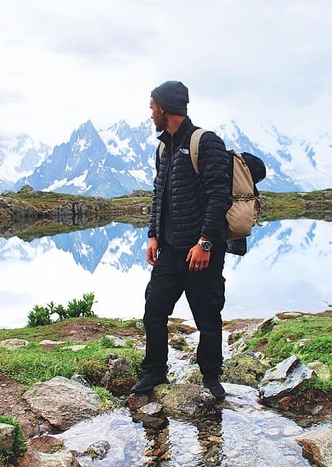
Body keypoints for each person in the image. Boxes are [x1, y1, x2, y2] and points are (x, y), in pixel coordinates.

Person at [131, 80, 232, 399]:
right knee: (154, 310)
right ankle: (155, 372)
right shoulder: (164, 147)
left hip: (201, 252)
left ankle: (211, 378)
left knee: (207, 317)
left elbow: (220, 196)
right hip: (170, 252)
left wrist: (204, 243)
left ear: (164, 108)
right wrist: (152, 235)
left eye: (152, 108)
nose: (150, 115)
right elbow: (158, 194)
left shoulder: (206, 142)